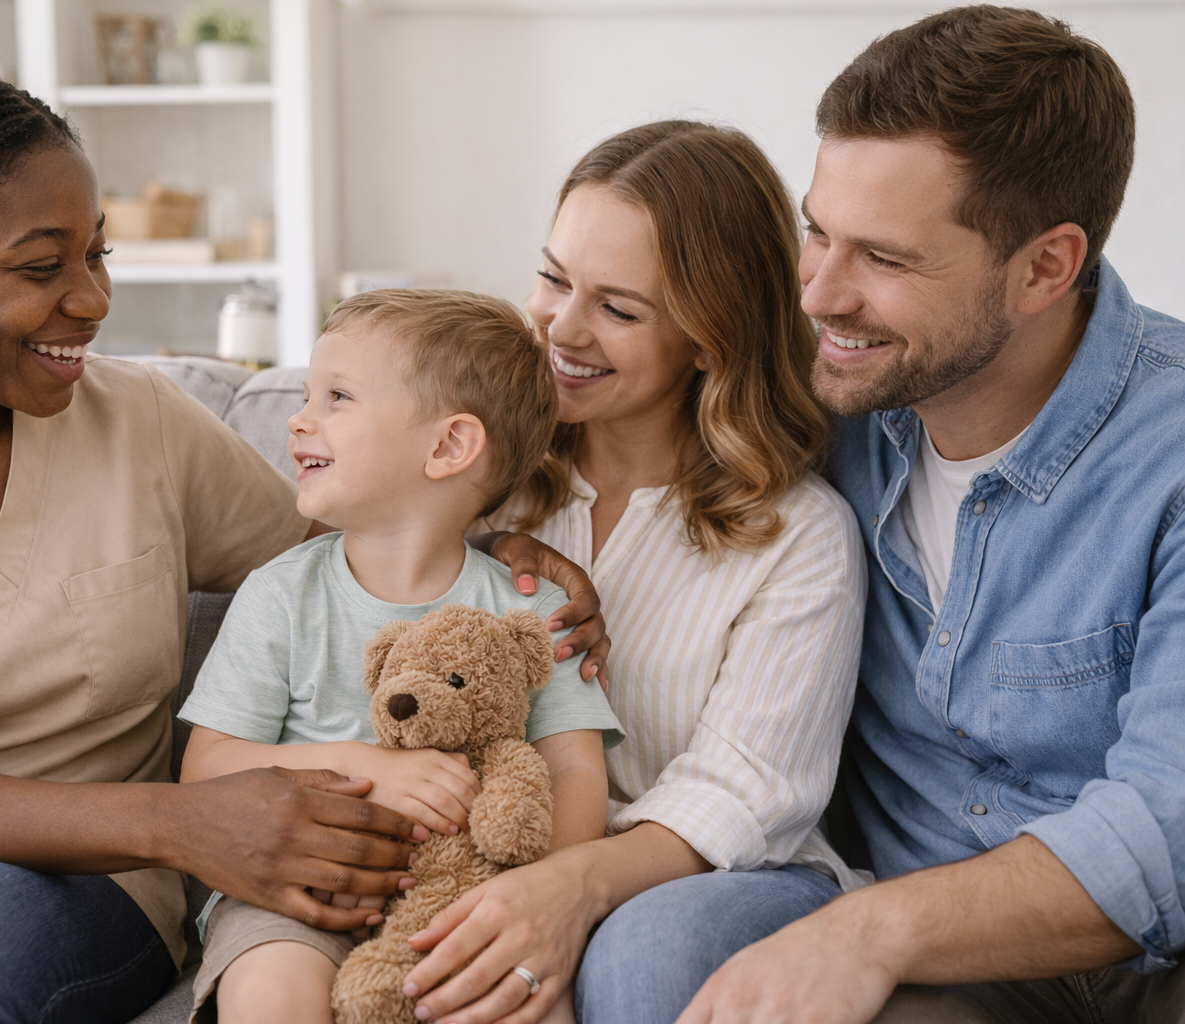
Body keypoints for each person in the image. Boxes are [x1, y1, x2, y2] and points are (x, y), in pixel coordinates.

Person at [0, 69, 606, 1024]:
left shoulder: (139, 422)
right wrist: (183, 822)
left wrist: (494, 543)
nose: (94, 299)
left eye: (97, 255)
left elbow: (349, 545)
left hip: (71, 868)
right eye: (41, 267)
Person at [677, 7, 1185, 1024]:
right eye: (815, 229)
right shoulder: (822, 398)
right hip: (952, 974)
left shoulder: (1168, 449)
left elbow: (1167, 826)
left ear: (1046, 265)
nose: (820, 293)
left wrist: (864, 932)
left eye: (885, 260)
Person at [394, 121, 869, 1024]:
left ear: (707, 337)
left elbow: (741, 796)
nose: (561, 328)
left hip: (726, 878)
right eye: (553, 278)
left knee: (645, 945)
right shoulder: (475, 481)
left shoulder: (798, 535)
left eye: (618, 308)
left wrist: (569, 892)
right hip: (495, 857)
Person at [176, 289, 624, 1023]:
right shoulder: (280, 595)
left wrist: (525, 890)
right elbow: (208, 767)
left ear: (448, 447)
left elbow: (575, 770)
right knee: (270, 993)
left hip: (462, 894)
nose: (299, 418)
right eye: (308, 394)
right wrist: (366, 767)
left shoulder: (533, 609)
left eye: (338, 396)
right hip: (299, 898)